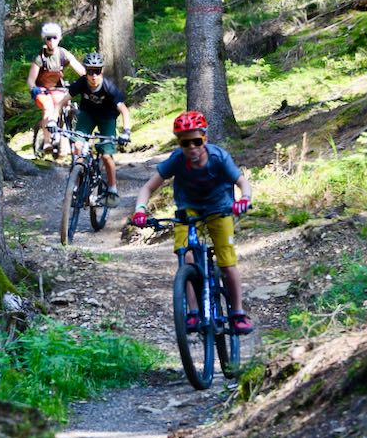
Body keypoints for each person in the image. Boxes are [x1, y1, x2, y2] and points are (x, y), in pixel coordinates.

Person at [132, 111, 254, 335]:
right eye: (185, 143)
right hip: (188, 209)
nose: (191, 148)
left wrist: (244, 199)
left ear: (205, 139)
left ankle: (237, 312)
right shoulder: (177, 160)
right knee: (185, 256)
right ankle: (193, 311)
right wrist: (140, 209)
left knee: (226, 262)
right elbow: (148, 187)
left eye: (196, 141)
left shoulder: (219, 157)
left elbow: (241, 181)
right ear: (179, 143)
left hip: (220, 208)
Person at [65, 52, 132, 206]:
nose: (93, 75)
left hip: (107, 118)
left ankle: (112, 189)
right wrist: (53, 122)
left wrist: (126, 131)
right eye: (90, 71)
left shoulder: (109, 87)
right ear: (86, 72)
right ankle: (75, 186)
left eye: (97, 71)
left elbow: (124, 110)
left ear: (101, 71)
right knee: (78, 147)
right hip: (87, 116)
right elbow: (62, 101)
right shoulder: (81, 83)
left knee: (106, 155)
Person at [26, 22, 85, 153]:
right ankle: (47, 143)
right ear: (45, 39)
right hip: (42, 90)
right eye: (48, 38)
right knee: (48, 107)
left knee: (63, 104)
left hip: (57, 88)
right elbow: (31, 80)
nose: (51, 41)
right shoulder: (40, 57)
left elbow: (80, 69)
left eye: (54, 37)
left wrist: (88, 78)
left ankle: (63, 136)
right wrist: (34, 89)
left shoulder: (63, 54)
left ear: (59, 38)